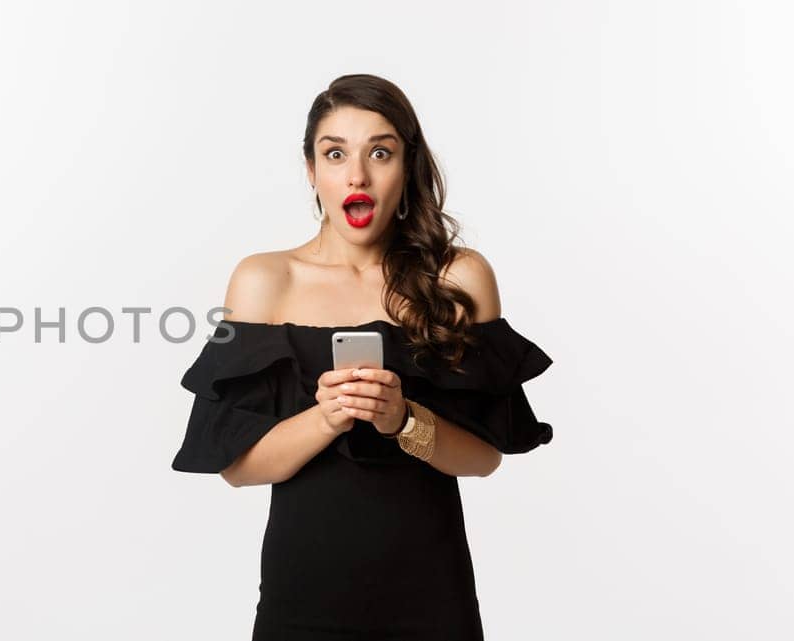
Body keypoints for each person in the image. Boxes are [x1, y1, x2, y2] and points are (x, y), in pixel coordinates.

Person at [170, 74, 555, 640]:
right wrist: (327, 417)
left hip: (434, 602)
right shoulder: (263, 281)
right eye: (335, 154)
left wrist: (403, 420)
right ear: (311, 171)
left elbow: (484, 458)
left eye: (380, 152)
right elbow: (238, 468)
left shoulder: (459, 278)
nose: (357, 174)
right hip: (301, 604)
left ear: (408, 165)